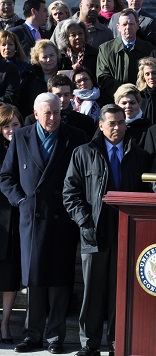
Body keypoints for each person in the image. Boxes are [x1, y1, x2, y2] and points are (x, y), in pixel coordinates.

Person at [0, 93, 86, 354]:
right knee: (34, 279)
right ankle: (32, 335)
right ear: (36, 113)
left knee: (60, 281)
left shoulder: (76, 136)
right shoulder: (22, 136)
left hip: (63, 218)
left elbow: (83, 176)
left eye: (57, 112)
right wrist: (21, 201)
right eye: (47, 113)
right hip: (32, 218)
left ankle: (54, 337)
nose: (53, 118)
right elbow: (6, 176)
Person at [63, 104, 150, 356]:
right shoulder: (83, 153)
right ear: (100, 125)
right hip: (94, 233)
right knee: (92, 292)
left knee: (119, 291)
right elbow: (71, 193)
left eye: (121, 122)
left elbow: (145, 194)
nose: (117, 127)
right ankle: (89, 344)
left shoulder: (139, 155)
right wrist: (85, 222)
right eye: (111, 123)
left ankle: (116, 342)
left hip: (126, 233)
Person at [0, 104, 23, 345]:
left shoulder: (25, 145)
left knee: (10, 275)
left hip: (16, 218)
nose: (11, 130)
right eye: (6, 126)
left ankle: (6, 323)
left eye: (15, 125)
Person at [96, 8, 155, 99]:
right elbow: (103, 77)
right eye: (124, 24)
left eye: (131, 24)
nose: (127, 27)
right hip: (114, 100)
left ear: (137, 26)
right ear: (118, 27)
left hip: (141, 100)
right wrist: (124, 94)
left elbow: (151, 76)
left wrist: (137, 95)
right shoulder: (105, 49)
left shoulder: (149, 49)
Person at [114, 83, 151, 147]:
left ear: (139, 104)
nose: (128, 106)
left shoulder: (149, 129)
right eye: (124, 103)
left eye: (132, 103)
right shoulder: (109, 126)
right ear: (117, 105)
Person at [136, 57, 156, 124]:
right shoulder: (139, 97)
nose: (151, 77)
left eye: (154, 73)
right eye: (147, 74)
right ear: (143, 77)